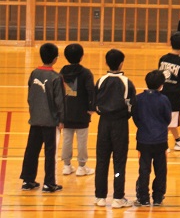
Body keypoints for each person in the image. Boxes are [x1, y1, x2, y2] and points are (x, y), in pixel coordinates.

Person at [19, 43, 65, 193]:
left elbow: (30, 95)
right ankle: (49, 183)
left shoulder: (34, 73)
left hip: (35, 118)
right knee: (50, 152)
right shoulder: (56, 77)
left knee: (31, 150)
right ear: (55, 59)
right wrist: (61, 120)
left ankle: (27, 180)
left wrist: (33, 112)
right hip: (50, 121)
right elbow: (60, 101)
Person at [94, 49, 136, 208]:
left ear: (106, 63)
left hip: (104, 124)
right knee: (119, 162)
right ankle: (118, 197)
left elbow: (95, 104)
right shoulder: (126, 82)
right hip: (120, 125)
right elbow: (132, 106)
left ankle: (100, 196)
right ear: (121, 64)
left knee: (102, 160)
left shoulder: (101, 81)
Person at [132, 70, 172, 207]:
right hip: (160, 140)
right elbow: (168, 118)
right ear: (161, 85)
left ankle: (143, 197)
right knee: (161, 169)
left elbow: (135, 117)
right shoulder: (164, 99)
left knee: (144, 169)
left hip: (144, 139)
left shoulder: (139, 98)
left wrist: (143, 127)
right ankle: (158, 197)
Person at [59, 43, 95, 177]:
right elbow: (91, 91)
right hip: (82, 112)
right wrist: (92, 108)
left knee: (67, 139)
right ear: (81, 56)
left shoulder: (62, 72)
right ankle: (82, 167)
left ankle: (66, 165)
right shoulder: (85, 73)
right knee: (82, 141)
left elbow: (58, 92)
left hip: (66, 112)